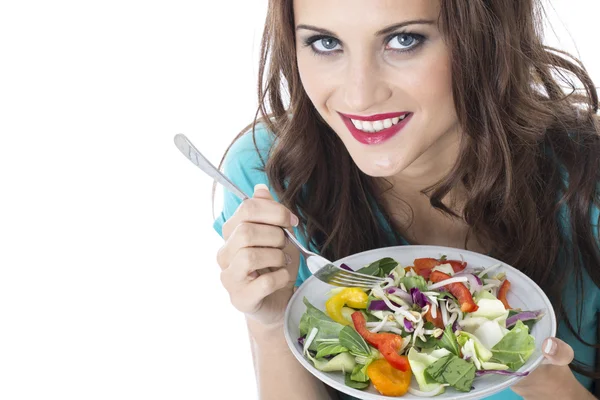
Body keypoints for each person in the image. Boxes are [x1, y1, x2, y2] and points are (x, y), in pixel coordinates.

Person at [212, 0, 600, 399]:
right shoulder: (272, 171)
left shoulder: (589, 177)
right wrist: (272, 324)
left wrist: (550, 384)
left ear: (488, 37)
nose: (359, 96)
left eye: (404, 39)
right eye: (326, 42)